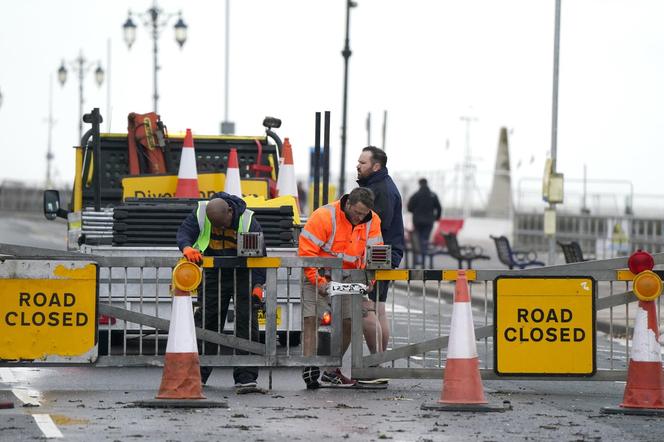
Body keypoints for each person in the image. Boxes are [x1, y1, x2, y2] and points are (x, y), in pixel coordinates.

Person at [176, 192, 266, 392]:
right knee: (207, 321)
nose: (220, 229)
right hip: (214, 272)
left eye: (223, 225)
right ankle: (197, 374)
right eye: (216, 225)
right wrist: (187, 247)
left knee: (246, 322)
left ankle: (246, 376)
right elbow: (184, 232)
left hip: (244, 274)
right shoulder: (201, 213)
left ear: (230, 212)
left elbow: (261, 258)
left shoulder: (248, 221)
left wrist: (258, 286)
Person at [298, 187, 383, 389]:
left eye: (364, 214)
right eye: (356, 213)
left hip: (349, 278)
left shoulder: (372, 220)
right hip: (318, 274)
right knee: (311, 319)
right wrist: (318, 281)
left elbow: (375, 255)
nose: (359, 218)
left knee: (349, 322)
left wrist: (369, 281)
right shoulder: (324, 216)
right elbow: (307, 253)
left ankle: (331, 370)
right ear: (347, 204)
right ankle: (309, 367)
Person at [356, 146, 405, 354]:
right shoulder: (379, 185)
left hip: (378, 257)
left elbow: (376, 226)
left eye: (363, 163)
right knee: (379, 308)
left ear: (376, 166)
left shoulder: (381, 190)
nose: (358, 166)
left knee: (371, 309)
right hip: (384, 255)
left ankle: (376, 362)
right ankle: (379, 361)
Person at [407, 178, 442, 268]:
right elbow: (439, 208)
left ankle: (419, 258)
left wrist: (416, 211)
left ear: (419, 184)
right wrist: (436, 218)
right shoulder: (433, 195)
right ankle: (423, 257)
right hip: (429, 221)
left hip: (417, 221)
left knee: (418, 239)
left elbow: (409, 208)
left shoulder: (416, 195)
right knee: (425, 239)